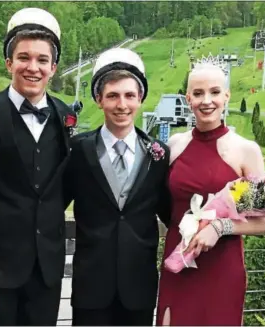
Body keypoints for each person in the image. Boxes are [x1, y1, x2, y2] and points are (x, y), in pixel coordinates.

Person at [0, 8, 76, 326]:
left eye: (42, 60)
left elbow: (60, 187)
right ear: (9, 62)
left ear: (53, 67)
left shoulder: (66, 116)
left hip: (47, 269)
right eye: (24, 57)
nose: (32, 67)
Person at [156, 62, 265, 326]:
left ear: (227, 96)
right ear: (188, 99)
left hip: (222, 265)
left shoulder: (245, 150)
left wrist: (219, 226)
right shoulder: (175, 145)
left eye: (215, 92)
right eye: (198, 94)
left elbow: (262, 221)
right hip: (178, 260)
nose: (206, 101)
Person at [63, 48, 171, 326]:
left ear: (140, 99)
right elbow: (53, 204)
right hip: (91, 286)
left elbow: (173, 213)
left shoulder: (158, 154)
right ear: (99, 100)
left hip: (139, 285)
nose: (121, 104)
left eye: (129, 96)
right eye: (112, 96)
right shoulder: (78, 150)